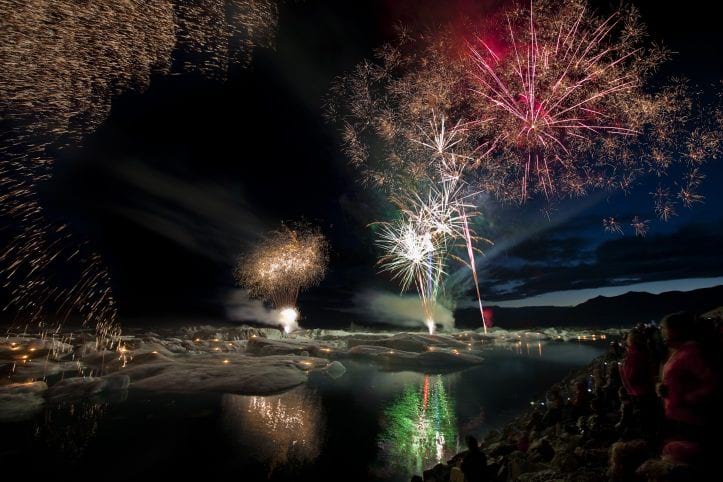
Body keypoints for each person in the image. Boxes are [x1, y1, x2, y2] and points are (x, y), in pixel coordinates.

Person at [657, 312, 718, 441]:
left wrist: (686, 398)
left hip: (690, 419)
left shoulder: (692, 352)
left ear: (676, 330)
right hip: (677, 415)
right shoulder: (678, 352)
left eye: (663, 328)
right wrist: (664, 387)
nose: (661, 332)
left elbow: (713, 383)